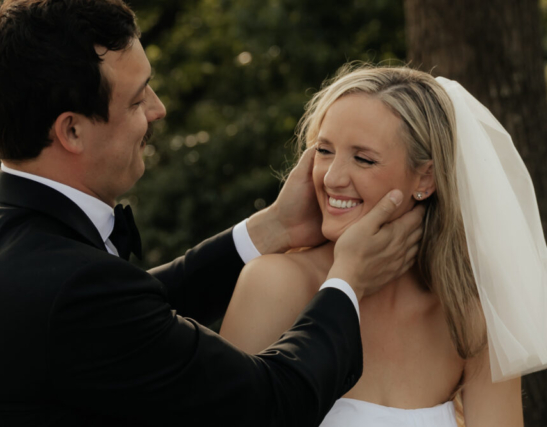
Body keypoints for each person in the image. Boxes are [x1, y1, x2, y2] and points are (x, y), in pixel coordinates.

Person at [0, 2, 425, 426]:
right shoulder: (72, 290)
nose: (157, 109)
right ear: (71, 131)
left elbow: (130, 316)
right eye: (136, 101)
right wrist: (348, 281)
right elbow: (270, 405)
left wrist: (273, 227)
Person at [221, 65, 547, 426]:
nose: (331, 177)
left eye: (363, 159)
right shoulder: (274, 284)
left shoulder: (467, 312)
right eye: (325, 151)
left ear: (426, 177)